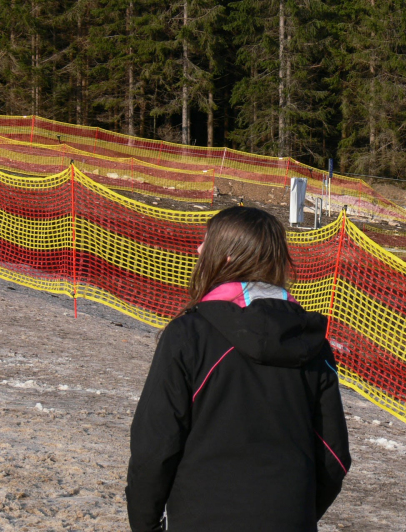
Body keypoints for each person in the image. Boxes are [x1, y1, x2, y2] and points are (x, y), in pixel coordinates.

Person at [126, 206, 351, 532]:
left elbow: (154, 446)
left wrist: (144, 525)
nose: (199, 249)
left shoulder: (190, 334)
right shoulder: (312, 343)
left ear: (229, 257)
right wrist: (291, 514)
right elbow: (334, 456)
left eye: (207, 241)